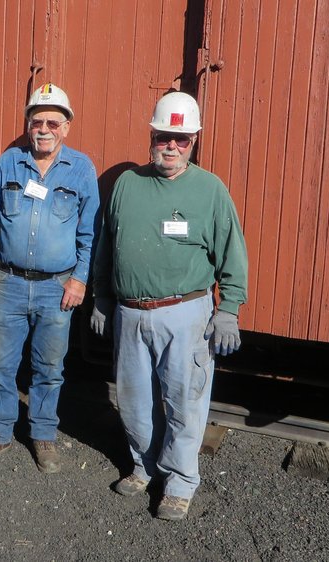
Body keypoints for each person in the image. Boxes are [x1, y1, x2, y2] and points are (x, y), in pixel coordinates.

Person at [90, 91, 248, 520]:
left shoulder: (210, 190)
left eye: (181, 139)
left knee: (184, 400)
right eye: (164, 136)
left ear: (194, 141)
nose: (172, 146)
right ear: (152, 136)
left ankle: (179, 481)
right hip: (130, 313)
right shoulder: (127, 184)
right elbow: (107, 246)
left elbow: (232, 253)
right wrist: (102, 296)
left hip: (186, 313)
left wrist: (229, 309)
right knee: (134, 398)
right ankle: (143, 466)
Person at [0, 83, 100, 473]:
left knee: (49, 368)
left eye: (52, 122)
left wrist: (79, 279)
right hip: (7, 282)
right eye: (37, 121)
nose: (44, 129)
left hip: (56, 287)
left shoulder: (81, 168)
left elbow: (90, 233)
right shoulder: (9, 162)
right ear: (28, 125)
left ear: (66, 127)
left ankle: (43, 437)